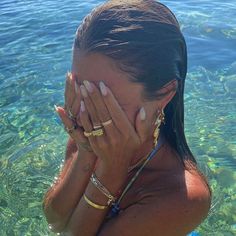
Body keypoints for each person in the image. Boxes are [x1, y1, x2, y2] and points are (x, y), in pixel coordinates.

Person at [42, 0, 212, 235]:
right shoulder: (89, 130)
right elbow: (55, 220)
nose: (85, 113)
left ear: (164, 94)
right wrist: (85, 152)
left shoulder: (182, 197)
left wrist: (112, 168)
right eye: (81, 91)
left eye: (105, 101)